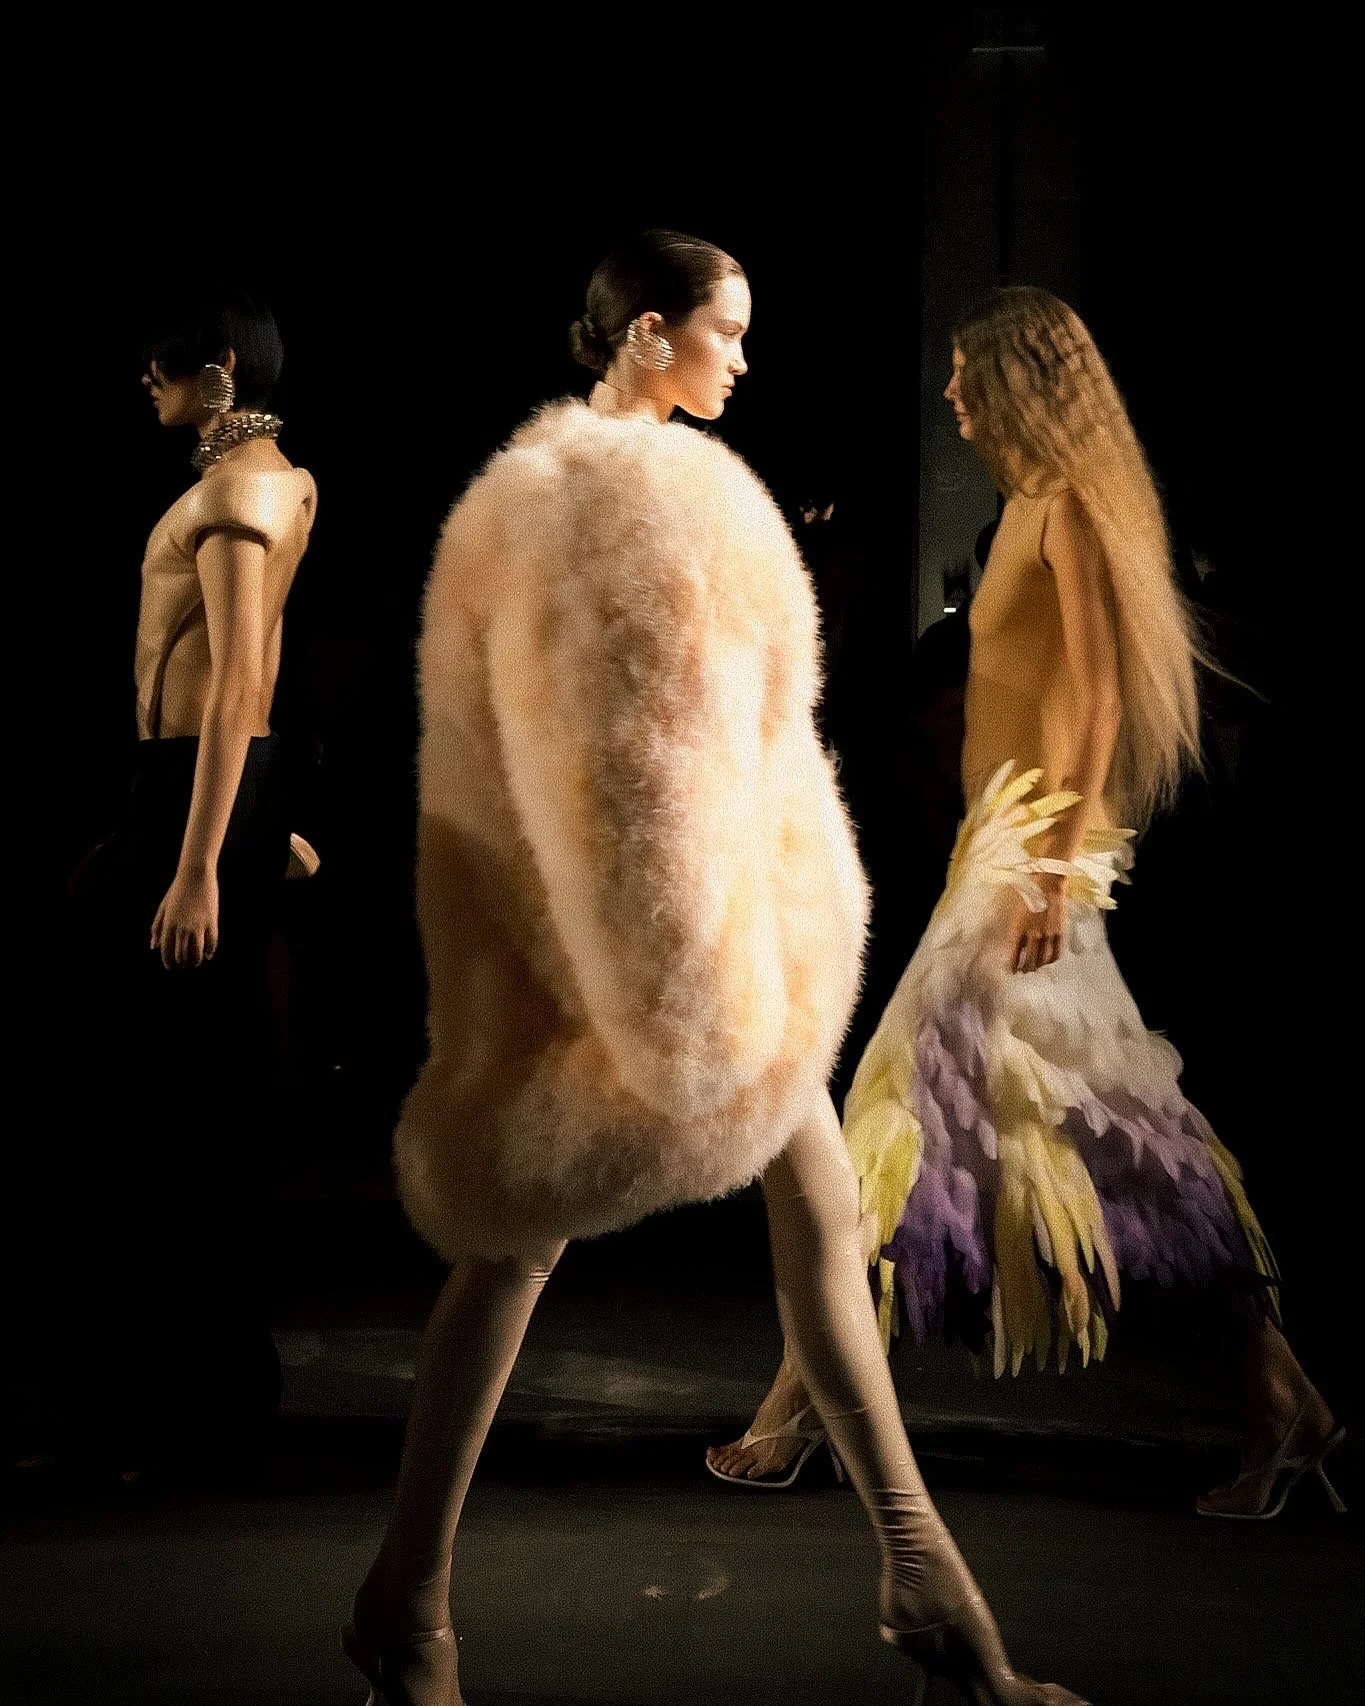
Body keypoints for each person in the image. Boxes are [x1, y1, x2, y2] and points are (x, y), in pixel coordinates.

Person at [342, 236, 1086, 1706]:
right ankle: (407, 1598)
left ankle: (923, 1580)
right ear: (647, 332)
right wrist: (690, 994)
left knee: (795, 1215)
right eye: (724, 331)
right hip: (664, 950)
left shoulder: (533, 492)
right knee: (529, 1245)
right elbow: (639, 778)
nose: (742, 358)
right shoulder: (633, 497)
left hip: (647, 934)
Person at [707, 285, 1344, 1526]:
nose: (950, 392)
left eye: (967, 372)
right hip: (997, 849)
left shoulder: (1068, 512)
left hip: (1028, 861)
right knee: (1108, 1129)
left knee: (894, 1103)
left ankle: (797, 1409)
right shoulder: (1027, 510)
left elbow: (1100, 699)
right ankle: (1286, 1403)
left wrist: (1051, 870)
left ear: (1021, 380)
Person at [52, 296, 317, 1471]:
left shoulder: (240, 493)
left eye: (159, 366)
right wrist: (258, 818)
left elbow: (239, 681)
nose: (145, 382)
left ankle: (177, 1397)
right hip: (196, 792)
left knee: (165, 1103)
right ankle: (192, 1391)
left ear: (218, 369)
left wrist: (204, 858)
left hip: (191, 798)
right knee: (185, 1092)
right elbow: (246, 675)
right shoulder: (275, 482)